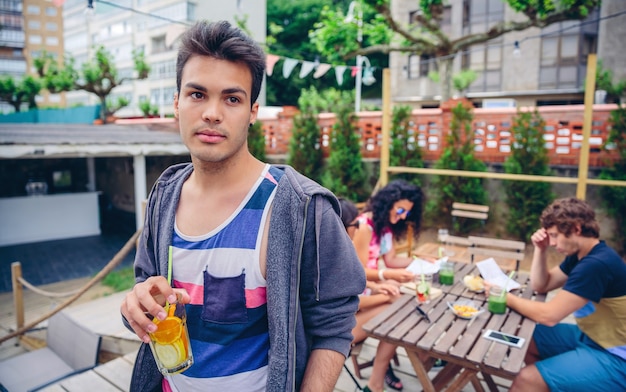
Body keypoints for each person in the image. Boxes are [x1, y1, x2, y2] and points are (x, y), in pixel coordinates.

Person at [120, 20, 365, 392]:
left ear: (252, 110)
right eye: (197, 94)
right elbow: (145, 285)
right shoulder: (164, 194)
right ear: (176, 103)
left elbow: (334, 325)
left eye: (232, 99)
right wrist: (137, 306)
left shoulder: (301, 206)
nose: (212, 113)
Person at [499, 197, 626, 392]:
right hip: (590, 337)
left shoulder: (595, 265)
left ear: (576, 228)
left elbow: (549, 316)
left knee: (527, 380)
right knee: (523, 337)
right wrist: (539, 250)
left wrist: (504, 296)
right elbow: (542, 285)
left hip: (615, 358)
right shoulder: (581, 256)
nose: (552, 243)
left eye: (555, 235)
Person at [349, 181, 425, 392]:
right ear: (387, 203)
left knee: (403, 298)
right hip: (353, 301)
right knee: (401, 308)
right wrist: (385, 277)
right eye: (400, 210)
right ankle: (385, 373)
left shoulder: (385, 228)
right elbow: (357, 272)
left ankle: (381, 374)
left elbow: (390, 260)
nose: (402, 216)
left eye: (406, 213)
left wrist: (419, 261)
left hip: (366, 292)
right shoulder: (363, 227)